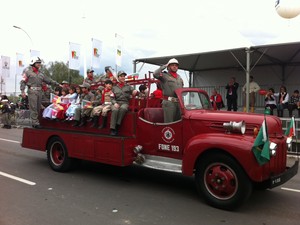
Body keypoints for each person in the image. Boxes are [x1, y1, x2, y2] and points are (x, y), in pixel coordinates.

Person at [20, 56, 61, 128]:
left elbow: (49, 80)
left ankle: (36, 122)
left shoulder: (41, 73)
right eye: (37, 63)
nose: (39, 64)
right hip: (32, 91)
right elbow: (23, 82)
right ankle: (35, 123)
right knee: (34, 107)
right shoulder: (27, 72)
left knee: (38, 108)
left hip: (40, 91)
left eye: (40, 63)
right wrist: (22, 91)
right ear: (33, 63)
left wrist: (58, 84)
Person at [153, 58, 184, 123]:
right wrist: (164, 66)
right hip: (169, 103)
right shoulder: (164, 76)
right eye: (172, 65)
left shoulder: (179, 77)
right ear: (168, 66)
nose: (175, 66)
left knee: (179, 122)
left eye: (176, 65)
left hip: (179, 102)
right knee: (169, 123)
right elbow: (155, 74)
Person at [110, 71, 138, 136]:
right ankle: (112, 129)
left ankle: (117, 124)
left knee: (123, 108)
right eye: (121, 76)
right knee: (115, 110)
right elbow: (112, 98)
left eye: (124, 76)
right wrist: (114, 103)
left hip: (125, 103)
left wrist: (135, 91)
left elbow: (134, 92)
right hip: (116, 102)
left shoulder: (128, 86)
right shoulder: (114, 88)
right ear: (118, 78)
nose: (123, 77)